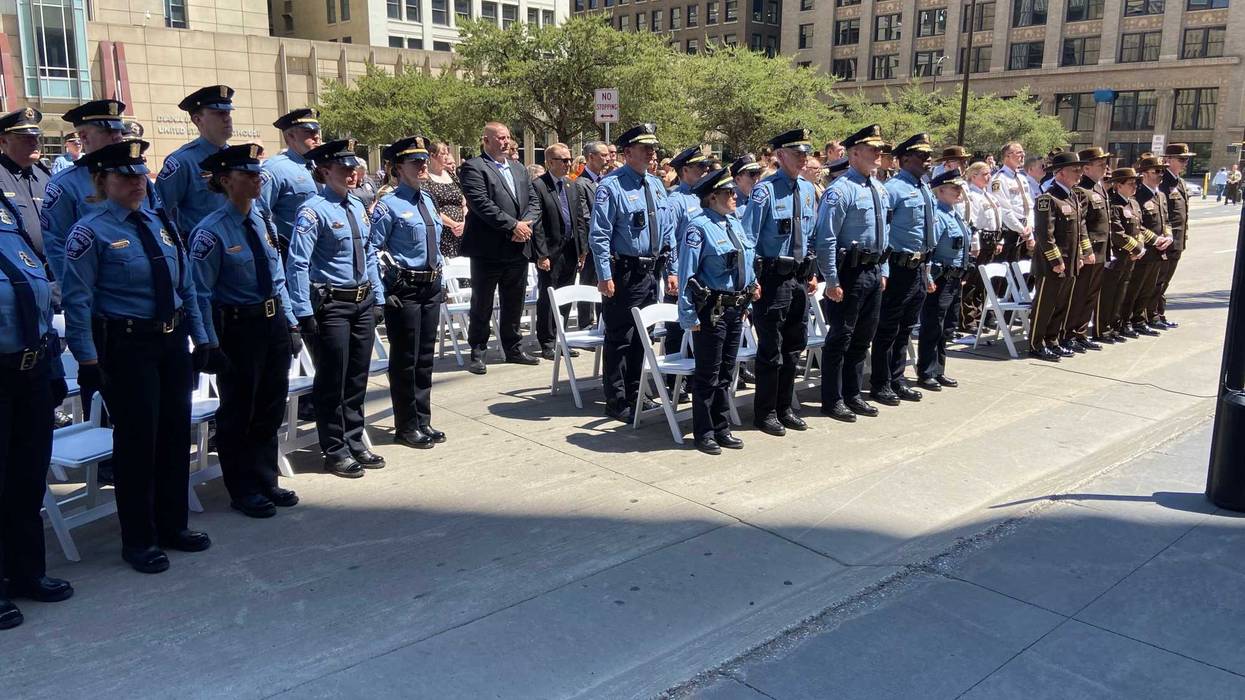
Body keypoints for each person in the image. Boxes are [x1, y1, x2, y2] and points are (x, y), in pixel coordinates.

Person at [61, 139, 212, 573]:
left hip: (170, 341)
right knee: (137, 444)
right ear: (102, 180)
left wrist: (201, 339)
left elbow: (186, 287)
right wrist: (88, 361)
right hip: (128, 347)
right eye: (125, 177)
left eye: (140, 174)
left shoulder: (159, 222)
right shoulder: (90, 232)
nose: (136, 183)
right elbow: (77, 299)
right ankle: (139, 538)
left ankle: (172, 526)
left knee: (172, 436)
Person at [188, 144, 300, 519]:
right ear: (225, 181)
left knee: (271, 403)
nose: (257, 180)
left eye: (258, 173)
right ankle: (242, 487)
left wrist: (290, 320)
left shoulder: (261, 220)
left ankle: (266, 478)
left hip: (271, 323)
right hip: (237, 327)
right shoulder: (210, 232)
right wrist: (207, 341)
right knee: (240, 409)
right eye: (247, 175)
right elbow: (200, 293)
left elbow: (278, 275)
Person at [287, 138, 387, 479]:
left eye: (354, 168)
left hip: (361, 302)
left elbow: (370, 253)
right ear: (324, 170)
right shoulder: (312, 210)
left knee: (357, 376)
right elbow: (298, 264)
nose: (352, 174)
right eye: (344, 169)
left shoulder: (357, 206)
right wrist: (302, 312)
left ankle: (354, 439)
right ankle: (334, 448)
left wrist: (379, 296)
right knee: (333, 379)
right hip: (332, 305)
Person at [0, 191, 71, 629]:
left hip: (29, 371)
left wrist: (49, 367)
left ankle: (27, 572)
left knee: (27, 478)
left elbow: (35, 289)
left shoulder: (6, 215)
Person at [588, 123, 676, 423]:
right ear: (627, 153)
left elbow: (668, 231)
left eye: (653, 148)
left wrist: (672, 269)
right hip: (624, 271)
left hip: (652, 271)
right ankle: (616, 398)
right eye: (645, 148)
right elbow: (599, 235)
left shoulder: (655, 184)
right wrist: (604, 274)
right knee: (621, 336)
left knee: (644, 335)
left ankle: (637, 392)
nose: (652, 153)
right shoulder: (611, 186)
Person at [370, 136, 448, 450]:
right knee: (405, 358)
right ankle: (406, 425)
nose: (422, 165)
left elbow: (435, 244)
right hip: (405, 288)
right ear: (397, 168)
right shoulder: (388, 204)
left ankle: (422, 419)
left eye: (423, 160)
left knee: (425, 357)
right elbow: (372, 249)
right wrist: (385, 288)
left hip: (429, 286)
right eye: (414, 162)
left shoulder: (428, 200)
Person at [678, 168, 758, 455]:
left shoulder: (733, 223)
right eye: (728, 193)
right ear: (713, 197)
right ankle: (704, 432)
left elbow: (746, 259)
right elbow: (687, 273)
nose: (734, 196)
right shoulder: (697, 228)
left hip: (736, 308)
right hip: (712, 310)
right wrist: (688, 316)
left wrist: (753, 285)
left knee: (727, 372)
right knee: (708, 375)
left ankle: (722, 427)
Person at [745, 129, 818, 436]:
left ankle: (785, 406)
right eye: (797, 153)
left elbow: (810, 234)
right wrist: (750, 280)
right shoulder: (766, 191)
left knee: (793, 347)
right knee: (771, 350)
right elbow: (748, 238)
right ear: (780, 156)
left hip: (799, 278)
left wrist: (812, 270)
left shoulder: (806, 189)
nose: (803, 159)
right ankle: (765, 412)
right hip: (773, 280)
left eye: (805, 154)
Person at [816, 124, 890, 423]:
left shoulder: (878, 187)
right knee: (841, 337)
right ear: (855, 153)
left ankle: (853, 393)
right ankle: (832, 399)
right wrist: (831, 279)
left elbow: (884, 233)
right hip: (849, 273)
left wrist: (883, 268)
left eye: (879, 150)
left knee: (863, 336)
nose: (878, 155)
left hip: (872, 270)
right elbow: (826, 238)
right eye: (873, 150)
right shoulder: (840, 190)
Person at [458, 122, 542, 374]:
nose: (506, 142)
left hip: (518, 247)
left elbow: (534, 202)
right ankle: (478, 349)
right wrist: (512, 226)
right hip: (488, 248)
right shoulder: (474, 167)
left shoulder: (518, 168)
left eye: (508, 138)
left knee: (514, 300)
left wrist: (525, 225)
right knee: (482, 301)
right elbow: (481, 204)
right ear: (486, 140)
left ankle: (513, 347)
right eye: (501, 138)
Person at [870, 133, 936, 407]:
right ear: (905, 158)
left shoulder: (924, 187)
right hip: (898, 266)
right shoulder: (893, 189)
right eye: (922, 155)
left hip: (919, 266)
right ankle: (881, 382)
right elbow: (884, 231)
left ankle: (897, 379)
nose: (928, 159)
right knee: (888, 328)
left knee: (906, 327)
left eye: (929, 155)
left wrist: (928, 269)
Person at [41, 100, 128, 283]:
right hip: (102, 295)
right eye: (109, 131)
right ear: (84, 137)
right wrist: (76, 296)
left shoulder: (137, 178)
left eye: (119, 130)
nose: (118, 137)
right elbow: (57, 247)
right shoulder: (65, 184)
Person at [1027, 152, 1087, 362]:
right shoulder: (1048, 198)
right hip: (1052, 264)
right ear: (1061, 173)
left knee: (1062, 304)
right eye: (1075, 170)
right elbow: (1044, 234)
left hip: (1070, 262)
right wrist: (1056, 260)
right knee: (1045, 305)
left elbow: (1078, 230)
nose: (1079, 174)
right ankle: (1036, 343)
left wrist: (1079, 254)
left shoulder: (1073, 196)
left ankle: (1052, 340)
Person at [531, 142, 588, 360]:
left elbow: (579, 220)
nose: (568, 163)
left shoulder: (571, 185)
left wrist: (582, 249)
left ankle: (561, 338)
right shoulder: (538, 186)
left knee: (566, 296)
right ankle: (547, 341)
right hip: (551, 251)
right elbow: (536, 223)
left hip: (570, 250)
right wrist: (541, 254)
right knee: (549, 296)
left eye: (569, 159)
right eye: (563, 160)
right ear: (549, 162)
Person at [664, 146, 713, 391]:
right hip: (683, 273)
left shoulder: (705, 197)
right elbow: (670, 239)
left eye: (705, 167)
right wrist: (671, 272)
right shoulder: (676, 200)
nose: (704, 171)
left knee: (699, 328)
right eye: (699, 168)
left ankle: (694, 377)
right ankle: (675, 382)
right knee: (676, 329)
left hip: (704, 273)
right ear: (684, 170)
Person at [917, 169, 971, 389]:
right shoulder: (938, 214)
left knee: (946, 327)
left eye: (960, 187)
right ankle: (927, 371)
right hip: (940, 279)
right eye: (954, 188)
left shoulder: (952, 213)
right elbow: (929, 249)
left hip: (954, 278)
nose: (959, 191)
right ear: (939, 191)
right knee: (933, 326)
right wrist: (928, 277)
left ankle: (939, 369)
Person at [156, 85, 234, 236]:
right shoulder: (182, 161)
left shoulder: (236, 159)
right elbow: (159, 211)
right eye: (218, 113)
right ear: (198, 120)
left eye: (228, 112)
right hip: (202, 250)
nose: (227, 118)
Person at [1065, 146, 1112, 352]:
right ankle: (1069, 334)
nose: (1105, 168)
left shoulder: (1099, 187)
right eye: (1100, 164)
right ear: (1086, 168)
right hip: (1089, 251)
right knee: (1079, 295)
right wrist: (1086, 250)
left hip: (1101, 250)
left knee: (1091, 295)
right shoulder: (1081, 190)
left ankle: (1081, 332)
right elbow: (1080, 223)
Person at [259, 108, 322, 257]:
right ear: (290, 137)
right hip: (292, 252)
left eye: (317, 131)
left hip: (323, 253)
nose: (317, 137)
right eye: (309, 132)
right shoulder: (275, 168)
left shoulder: (322, 166)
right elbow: (260, 214)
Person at [1125, 155, 1175, 337]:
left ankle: (1141, 319)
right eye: (1157, 171)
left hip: (1159, 251)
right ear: (1144, 174)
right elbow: (1137, 225)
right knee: (1135, 288)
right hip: (1144, 250)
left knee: (1149, 288)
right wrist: (1155, 239)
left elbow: (1166, 220)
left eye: (1162, 171)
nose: (1161, 175)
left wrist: (1168, 236)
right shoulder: (1138, 195)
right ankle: (1129, 320)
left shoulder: (1160, 195)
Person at [1097, 167, 1147, 344]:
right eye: (1131, 183)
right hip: (1118, 256)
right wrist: (1136, 249)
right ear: (1118, 185)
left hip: (1130, 257)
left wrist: (1140, 247)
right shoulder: (1114, 205)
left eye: (1136, 183)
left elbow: (1139, 228)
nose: (1135, 187)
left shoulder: (1133, 203)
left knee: (1121, 294)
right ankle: (1103, 329)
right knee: (1109, 294)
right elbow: (1117, 234)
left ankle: (1114, 326)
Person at [0, 108, 53, 256]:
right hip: (14, 272)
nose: (35, 143)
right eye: (26, 138)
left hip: (51, 268)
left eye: (37, 137)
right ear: (3, 142)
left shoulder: (44, 175)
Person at [959, 161, 1004, 332]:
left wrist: (1000, 240)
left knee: (984, 283)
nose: (989, 177)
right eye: (984, 174)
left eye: (989, 173)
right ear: (973, 175)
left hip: (992, 241)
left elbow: (997, 220)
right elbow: (973, 222)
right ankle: (968, 319)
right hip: (981, 241)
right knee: (972, 281)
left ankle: (980, 317)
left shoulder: (989, 195)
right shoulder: (972, 196)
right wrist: (975, 244)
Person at [1155, 143, 1193, 329]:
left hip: (1178, 241)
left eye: (1186, 159)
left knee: (1165, 281)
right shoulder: (1163, 183)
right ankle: (1154, 315)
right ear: (1167, 160)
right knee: (1158, 281)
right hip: (1167, 241)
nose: (1185, 163)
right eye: (1182, 159)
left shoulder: (1180, 183)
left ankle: (1158, 314)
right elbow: (1163, 215)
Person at [574, 141, 610, 329]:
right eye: (603, 155)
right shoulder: (580, 184)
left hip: (608, 242)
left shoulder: (606, 181)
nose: (608, 158)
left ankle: (602, 322)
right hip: (590, 242)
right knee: (589, 282)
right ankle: (586, 323)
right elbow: (584, 217)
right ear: (590, 157)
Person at [991, 142, 1034, 264]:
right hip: (1010, 232)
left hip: (1025, 230)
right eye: (1019, 152)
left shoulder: (1022, 178)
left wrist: (1030, 226)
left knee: (1023, 273)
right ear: (1007, 156)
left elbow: (1029, 205)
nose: (1023, 155)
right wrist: (1021, 230)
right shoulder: (999, 179)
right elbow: (1004, 211)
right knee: (1004, 274)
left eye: (1023, 152)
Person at [424, 141, 466, 258]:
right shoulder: (426, 179)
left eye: (447, 153)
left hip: (462, 231)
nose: (446, 157)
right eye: (443, 154)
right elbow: (430, 208)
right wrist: (453, 225)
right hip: (443, 233)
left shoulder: (451, 175)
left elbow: (463, 203)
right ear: (432, 155)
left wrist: (463, 223)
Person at [730, 154, 763, 234]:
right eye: (752, 174)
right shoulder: (730, 204)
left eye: (758, 173)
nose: (756, 178)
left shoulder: (761, 199)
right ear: (738, 179)